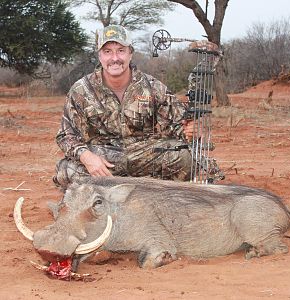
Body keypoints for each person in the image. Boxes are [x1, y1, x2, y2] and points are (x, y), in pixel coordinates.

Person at [53, 25, 211, 189]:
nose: (115, 58)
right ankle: (137, 188)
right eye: (107, 51)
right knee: (67, 172)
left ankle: (147, 192)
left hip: (145, 154)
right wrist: (87, 158)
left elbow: (178, 126)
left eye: (121, 50)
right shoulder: (81, 90)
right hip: (103, 157)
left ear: (130, 54)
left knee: (188, 157)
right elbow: (66, 135)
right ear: (100, 56)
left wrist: (191, 131)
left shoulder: (153, 87)